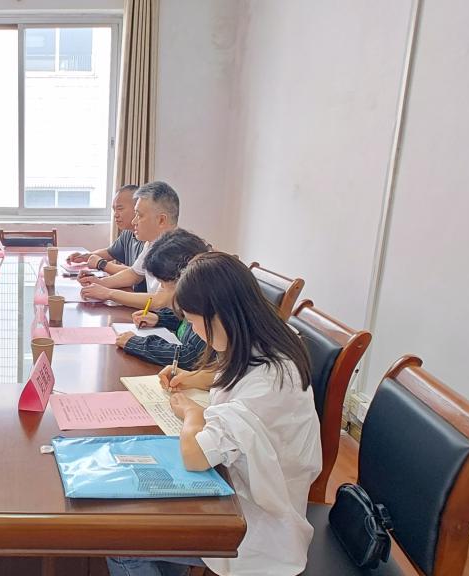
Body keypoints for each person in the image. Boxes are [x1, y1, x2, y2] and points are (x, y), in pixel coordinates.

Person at [108, 252, 321, 576]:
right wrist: (193, 378)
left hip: (253, 520)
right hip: (239, 486)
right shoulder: (269, 342)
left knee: (123, 541)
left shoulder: (268, 383)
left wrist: (192, 414)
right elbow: (235, 372)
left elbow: (195, 455)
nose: (194, 331)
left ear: (220, 315)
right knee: (141, 508)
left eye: (194, 322)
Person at [114, 229, 211, 370]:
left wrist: (136, 343)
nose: (161, 288)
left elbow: (191, 357)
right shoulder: (195, 301)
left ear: (183, 278)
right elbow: (183, 319)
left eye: (164, 284)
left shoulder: (209, 307)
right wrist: (159, 318)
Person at [80, 181, 180, 309]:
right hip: (155, 316)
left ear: (161, 220)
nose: (134, 221)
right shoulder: (152, 243)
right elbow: (134, 274)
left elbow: (159, 301)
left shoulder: (177, 251)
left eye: (139, 215)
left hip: (169, 320)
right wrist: (100, 283)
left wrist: (108, 293)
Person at [66, 184, 146, 292]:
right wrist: (85, 257)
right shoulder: (127, 233)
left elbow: (136, 274)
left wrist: (101, 264)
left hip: (144, 299)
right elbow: (109, 253)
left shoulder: (149, 237)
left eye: (120, 209)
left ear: (138, 208)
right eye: (114, 210)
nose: (115, 215)